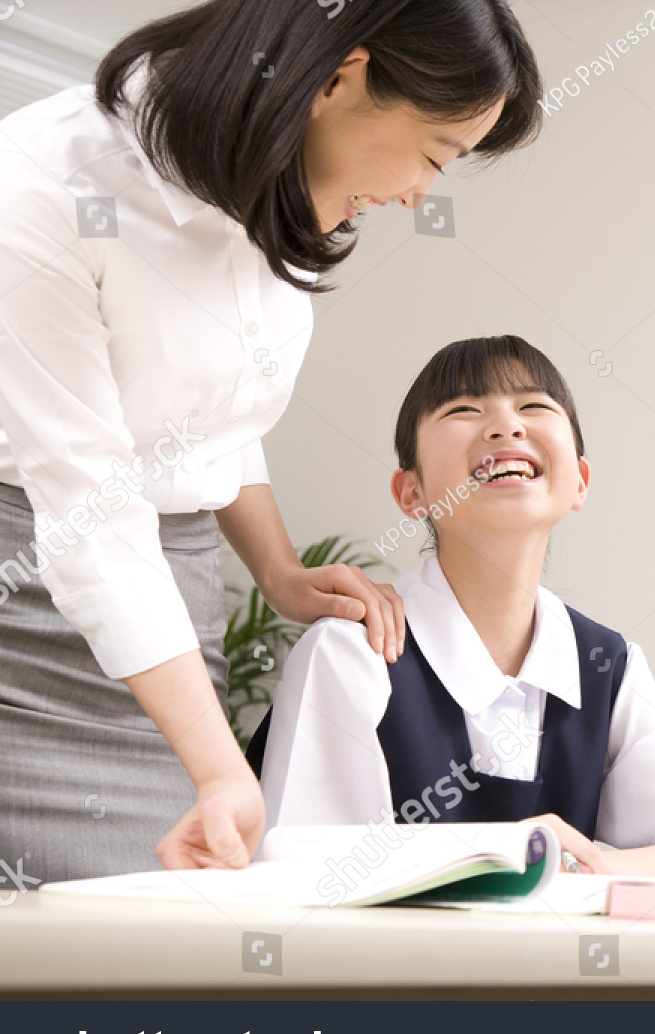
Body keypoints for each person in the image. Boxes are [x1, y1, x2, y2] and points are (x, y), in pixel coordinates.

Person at [0, 0, 543, 883]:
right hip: (28, 589)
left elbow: (205, 415)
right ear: (342, 78)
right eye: (435, 154)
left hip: (172, 614)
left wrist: (279, 570)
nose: (419, 194)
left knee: (171, 915)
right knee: (87, 924)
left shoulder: (274, 178)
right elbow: (88, 511)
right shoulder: (42, 187)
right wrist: (221, 767)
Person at [248, 336, 655, 883]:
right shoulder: (351, 651)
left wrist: (594, 866)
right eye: (463, 410)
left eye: (534, 405)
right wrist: (506, 854)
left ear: (580, 483)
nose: (506, 427)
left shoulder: (605, 665)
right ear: (410, 492)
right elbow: (305, 877)